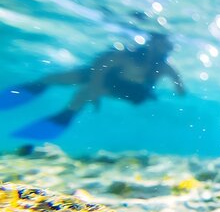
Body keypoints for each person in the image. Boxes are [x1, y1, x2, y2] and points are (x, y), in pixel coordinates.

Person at [0, 32, 185, 140]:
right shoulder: (128, 56)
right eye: (161, 44)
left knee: (80, 96)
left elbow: (180, 89)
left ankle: (63, 116)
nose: (163, 49)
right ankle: (37, 91)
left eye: (166, 46)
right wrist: (95, 89)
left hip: (127, 90)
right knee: (59, 79)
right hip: (106, 78)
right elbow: (100, 66)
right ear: (151, 43)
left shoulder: (165, 68)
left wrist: (176, 93)